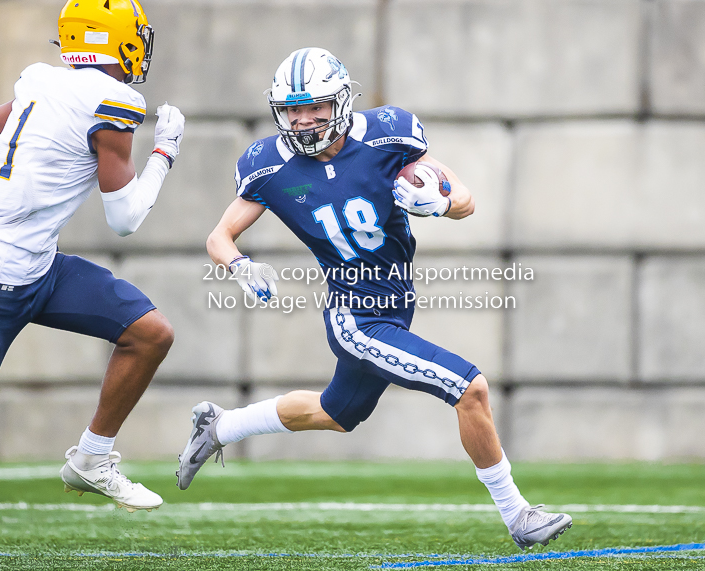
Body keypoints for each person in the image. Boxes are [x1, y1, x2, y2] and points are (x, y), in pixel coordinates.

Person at [177, 47, 571, 550]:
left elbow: (466, 201)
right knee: (469, 388)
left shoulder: (390, 134)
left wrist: (442, 203)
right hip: (355, 317)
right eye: (292, 109)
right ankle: (519, 517)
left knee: (336, 413)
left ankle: (220, 427)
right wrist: (239, 264)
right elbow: (219, 237)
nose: (301, 119)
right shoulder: (268, 165)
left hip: (396, 304)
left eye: (314, 106)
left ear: (340, 101)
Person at [0, 0, 185, 512]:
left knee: (149, 332)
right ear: (121, 40)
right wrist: (166, 152)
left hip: (39, 266)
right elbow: (125, 219)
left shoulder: (41, 81)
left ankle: (91, 459)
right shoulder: (112, 102)